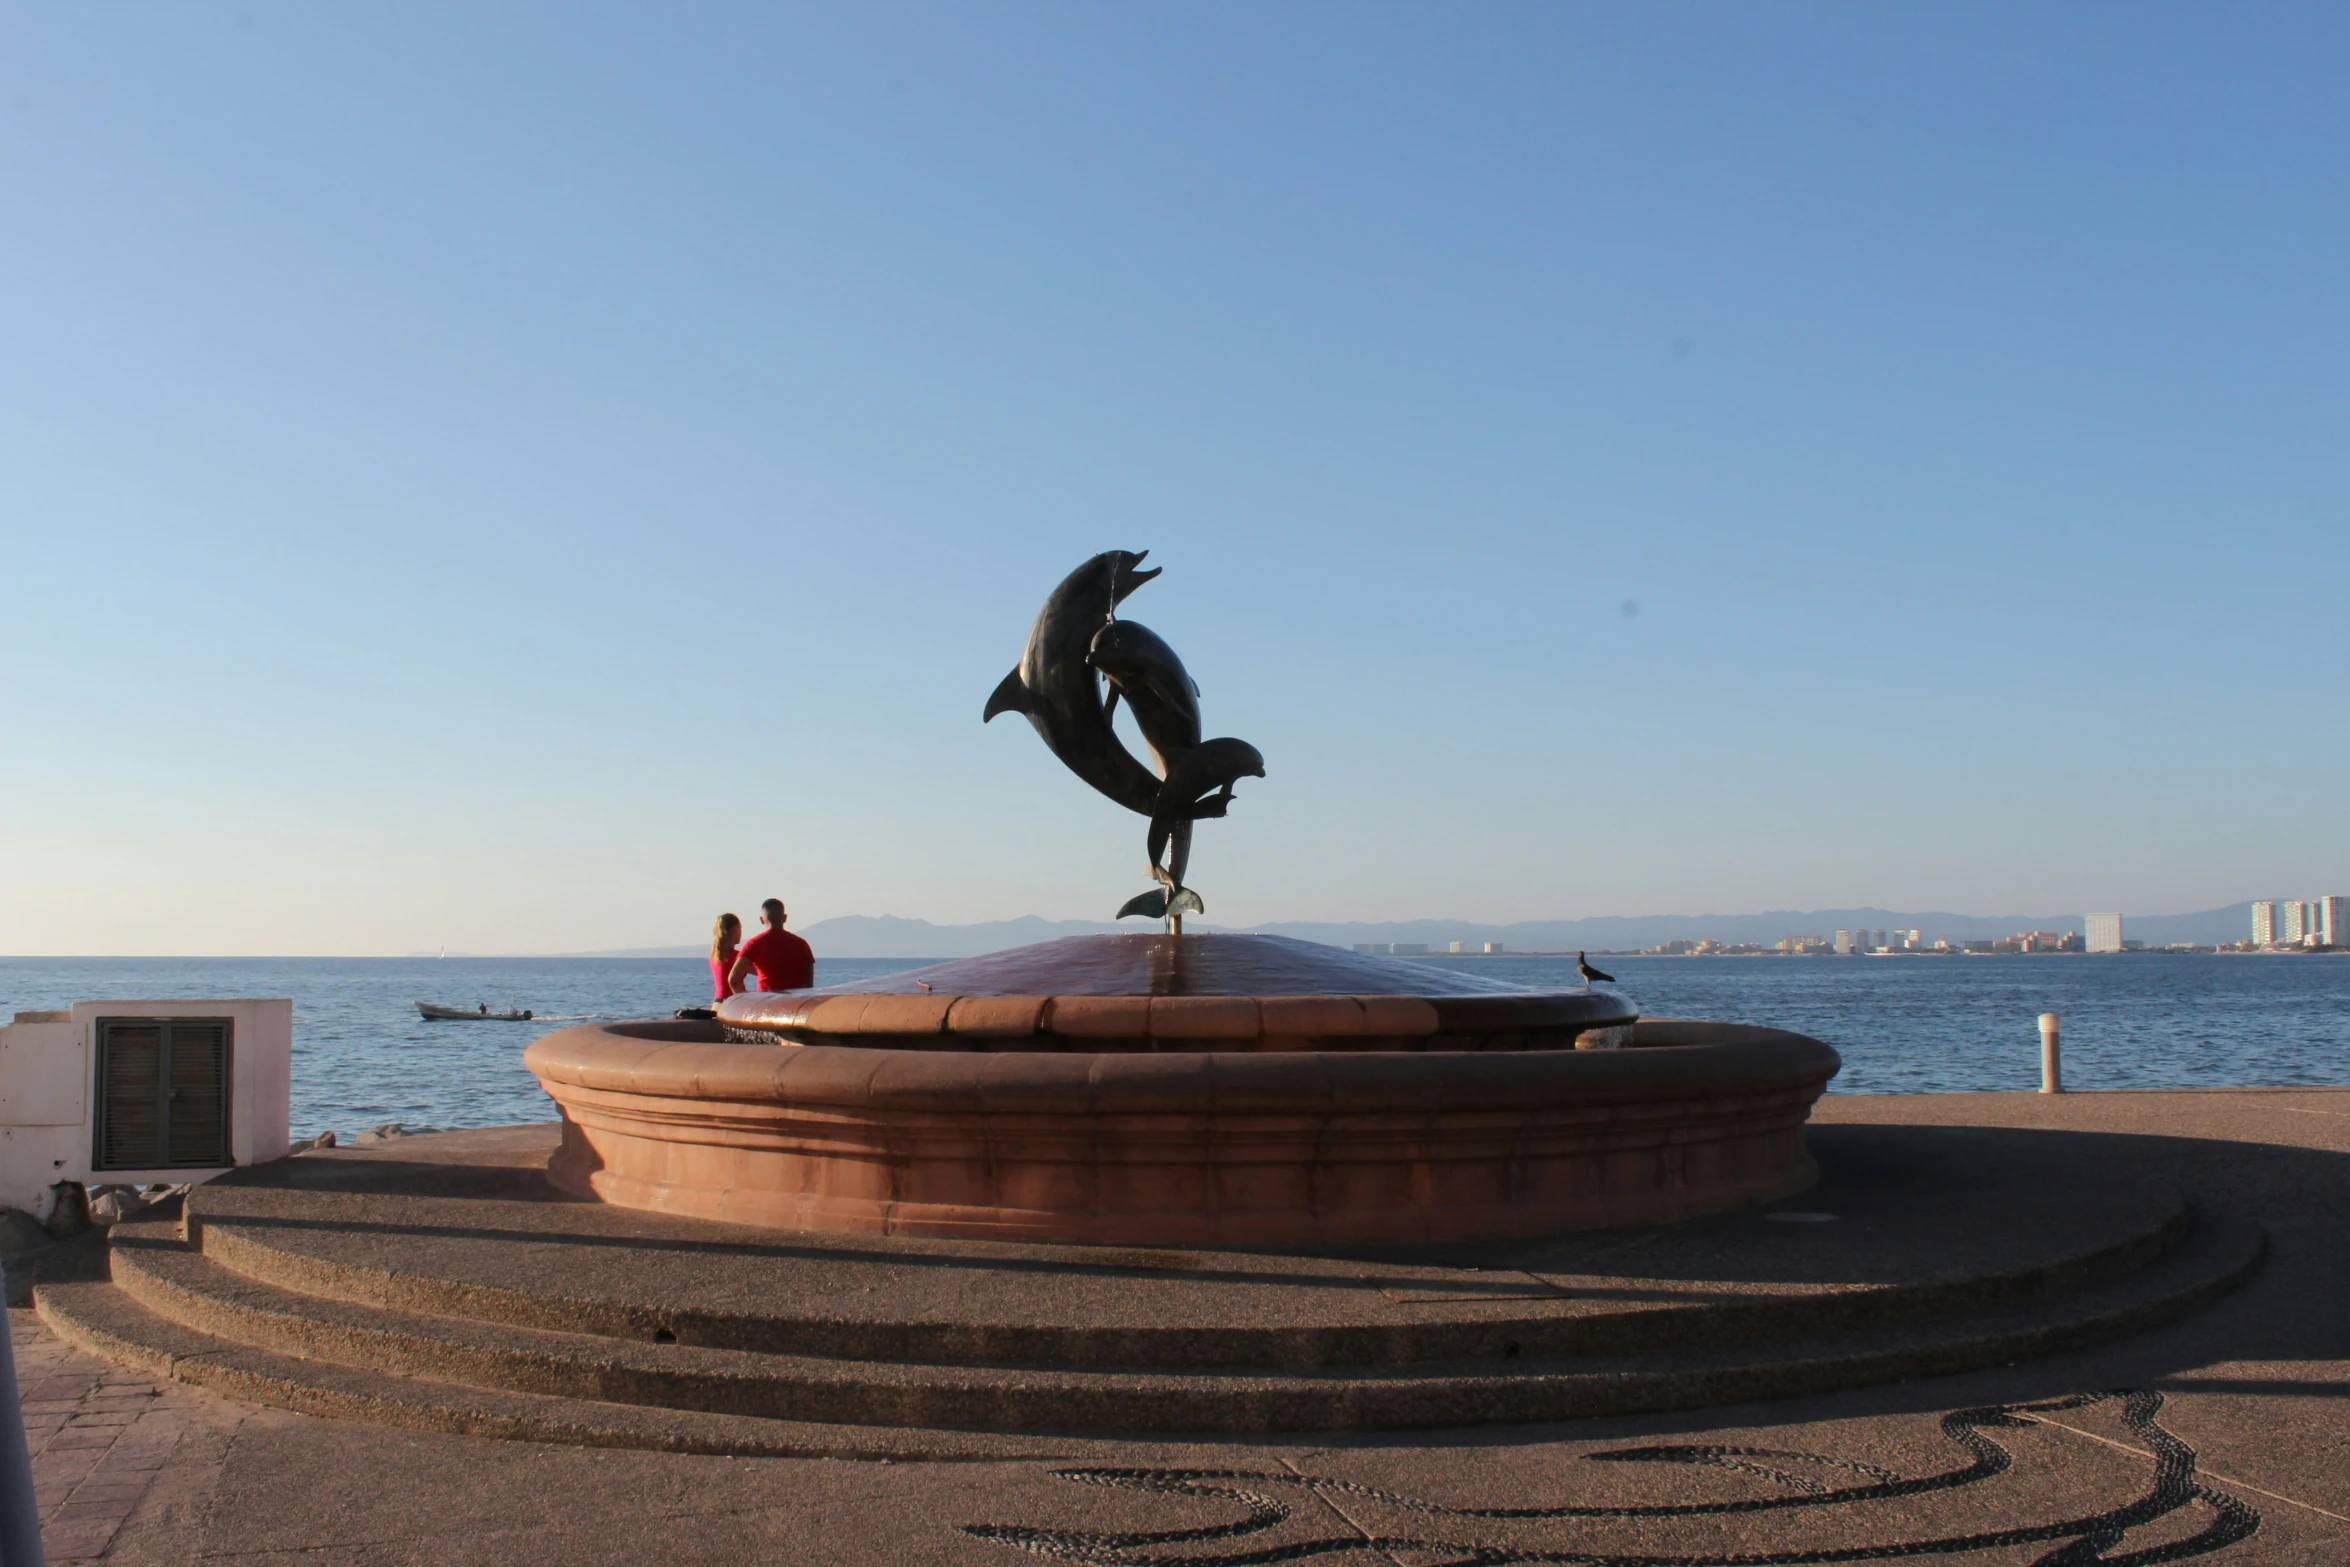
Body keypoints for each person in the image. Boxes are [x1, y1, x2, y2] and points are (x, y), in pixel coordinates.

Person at [727, 897, 814, 994]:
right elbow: (809, 985)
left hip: (766, 1003)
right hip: (795, 1003)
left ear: (762, 920)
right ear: (784, 918)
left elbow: (733, 980)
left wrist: (747, 1002)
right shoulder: (802, 944)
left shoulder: (754, 944)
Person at [708, 912, 743, 1004]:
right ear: (734, 930)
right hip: (731, 1004)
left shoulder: (714, 954)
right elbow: (761, 970)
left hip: (717, 1003)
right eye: (740, 928)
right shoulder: (738, 957)